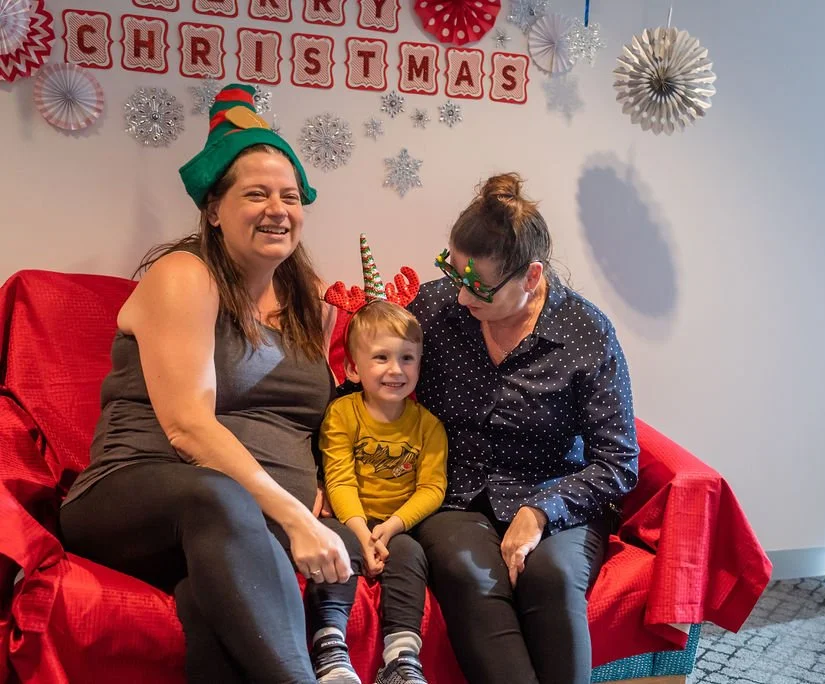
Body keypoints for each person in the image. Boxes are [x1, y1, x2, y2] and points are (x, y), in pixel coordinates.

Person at [59, 83, 364, 684]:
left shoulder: (308, 301)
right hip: (135, 495)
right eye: (256, 194)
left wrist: (327, 495)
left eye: (290, 195)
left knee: (211, 605)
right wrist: (296, 517)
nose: (279, 209)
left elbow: (318, 422)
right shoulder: (184, 275)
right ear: (215, 209)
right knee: (216, 498)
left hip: (239, 529)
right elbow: (188, 427)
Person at [407, 173, 640, 684]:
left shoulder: (584, 331)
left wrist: (541, 511)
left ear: (531, 276)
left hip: (555, 489)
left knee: (552, 578)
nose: (462, 296)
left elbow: (619, 461)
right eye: (453, 271)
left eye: (479, 285)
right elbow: (376, 386)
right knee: (471, 574)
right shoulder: (434, 308)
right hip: (456, 493)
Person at [313, 237, 447, 684]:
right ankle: (330, 647)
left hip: (398, 522)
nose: (396, 369)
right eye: (382, 358)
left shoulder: (428, 426)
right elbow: (339, 477)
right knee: (337, 548)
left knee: (410, 556)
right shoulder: (342, 413)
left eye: (407, 358)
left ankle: (402, 659)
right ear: (353, 369)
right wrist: (358, 529)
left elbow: (432, 488)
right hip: (348, 518)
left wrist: (392, 528)